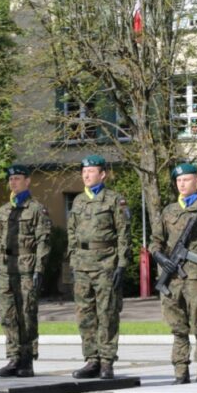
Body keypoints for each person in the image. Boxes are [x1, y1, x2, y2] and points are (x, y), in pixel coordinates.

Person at [150, 163, 197, 384]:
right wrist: (161, 258)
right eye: (179, 180)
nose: (182, 184)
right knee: (178, 329)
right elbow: (155, 242)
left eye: (187, 179)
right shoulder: (168, 211)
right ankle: (180, 372)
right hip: (171, 280)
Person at [68, 156, 131, 380]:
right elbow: (72, 233)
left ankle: (107, 361)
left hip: (106, 262)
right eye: (84, 171)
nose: (86, 175)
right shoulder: (77, 201)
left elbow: (124, 234)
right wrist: (73, 260)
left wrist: (122, 264)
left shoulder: (114, 200)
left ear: (102, 174)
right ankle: (92, 360)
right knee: (85, 314)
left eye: (91, 171)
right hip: (82, 263)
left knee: (107, 314)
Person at [0, 164, 51, 378]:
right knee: (8, 315)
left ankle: (27, 359)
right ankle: (13, 357)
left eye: (17, 178)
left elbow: (43, 240)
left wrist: (39, 269)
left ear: (27, 181)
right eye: (11, 179)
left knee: (26, 313)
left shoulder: (36, 209)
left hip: (26, 267)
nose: (13, 182)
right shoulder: (3, 211)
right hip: (6, 267)